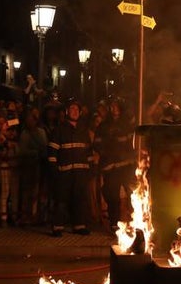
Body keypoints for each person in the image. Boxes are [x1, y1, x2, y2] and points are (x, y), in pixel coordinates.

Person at [46, 98, 94, 236]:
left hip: (80, 173)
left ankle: (79, 226)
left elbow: (89, 152)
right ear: (66, 112)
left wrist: (90, 169)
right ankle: (57, 227)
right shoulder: (59, 130)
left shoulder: (83, 131)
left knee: (80, 199)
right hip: (64, 173)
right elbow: (52, 152)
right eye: (72, 109)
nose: (74, 111)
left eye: (77, 109)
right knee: (61, 200)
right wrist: (54, 170)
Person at [96, 96, 136, 232]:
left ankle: (135, 221)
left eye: (116, 106)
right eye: (112, 106)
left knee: (133, 193)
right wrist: (106, 154)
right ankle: (114, 223)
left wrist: (127, 155)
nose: (114, 109)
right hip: (110, 166)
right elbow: (97, 143)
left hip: (126, 165)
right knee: (111, 195)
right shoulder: (104, 125)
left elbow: (132, 143)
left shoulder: (127, 125)